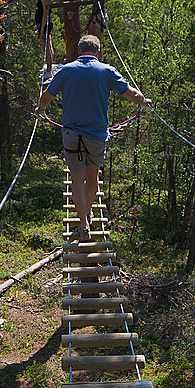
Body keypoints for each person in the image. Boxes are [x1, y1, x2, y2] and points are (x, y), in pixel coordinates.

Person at [35, 34, 150, 242]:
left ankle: (83, 224)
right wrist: (143, 101)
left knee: (76, 180)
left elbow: (47, 96)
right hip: (96, 136)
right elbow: (131, 94)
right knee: (92, 177)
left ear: (79, 51)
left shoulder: (65, 71)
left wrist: (40, 110)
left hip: (71, 134)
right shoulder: (107, 71)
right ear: (98, 52)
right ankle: (87, 213)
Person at [35, 0, 53, 77]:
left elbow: (45, 13)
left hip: (44, 23)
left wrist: (42, 28)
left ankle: (49, 71)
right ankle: (49, 67)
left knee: (46, 47)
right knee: (48, 45)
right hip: (43, 23)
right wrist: (38, 0)